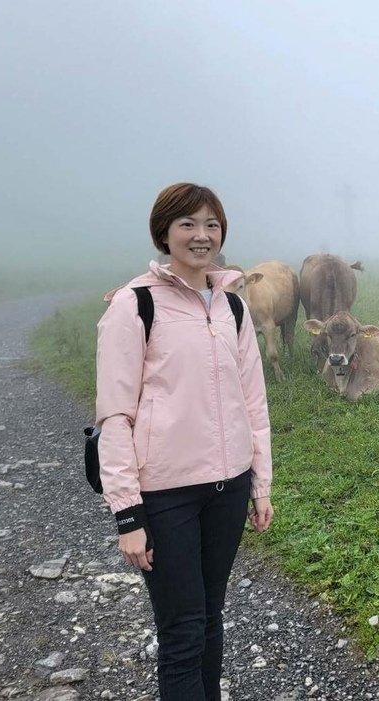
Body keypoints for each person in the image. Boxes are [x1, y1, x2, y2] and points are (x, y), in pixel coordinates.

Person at [95, 183, 274, 700]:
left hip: (229, 486)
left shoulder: (232, 307)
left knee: (211, 616)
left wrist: (259, 484)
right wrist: (128, 515)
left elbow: (253, 404)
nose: (202, 236)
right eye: (188, 224)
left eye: (212, 225)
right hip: (167, 494)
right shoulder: (135, 306)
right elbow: (115, 415)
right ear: (164, 232)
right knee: (182, 629)